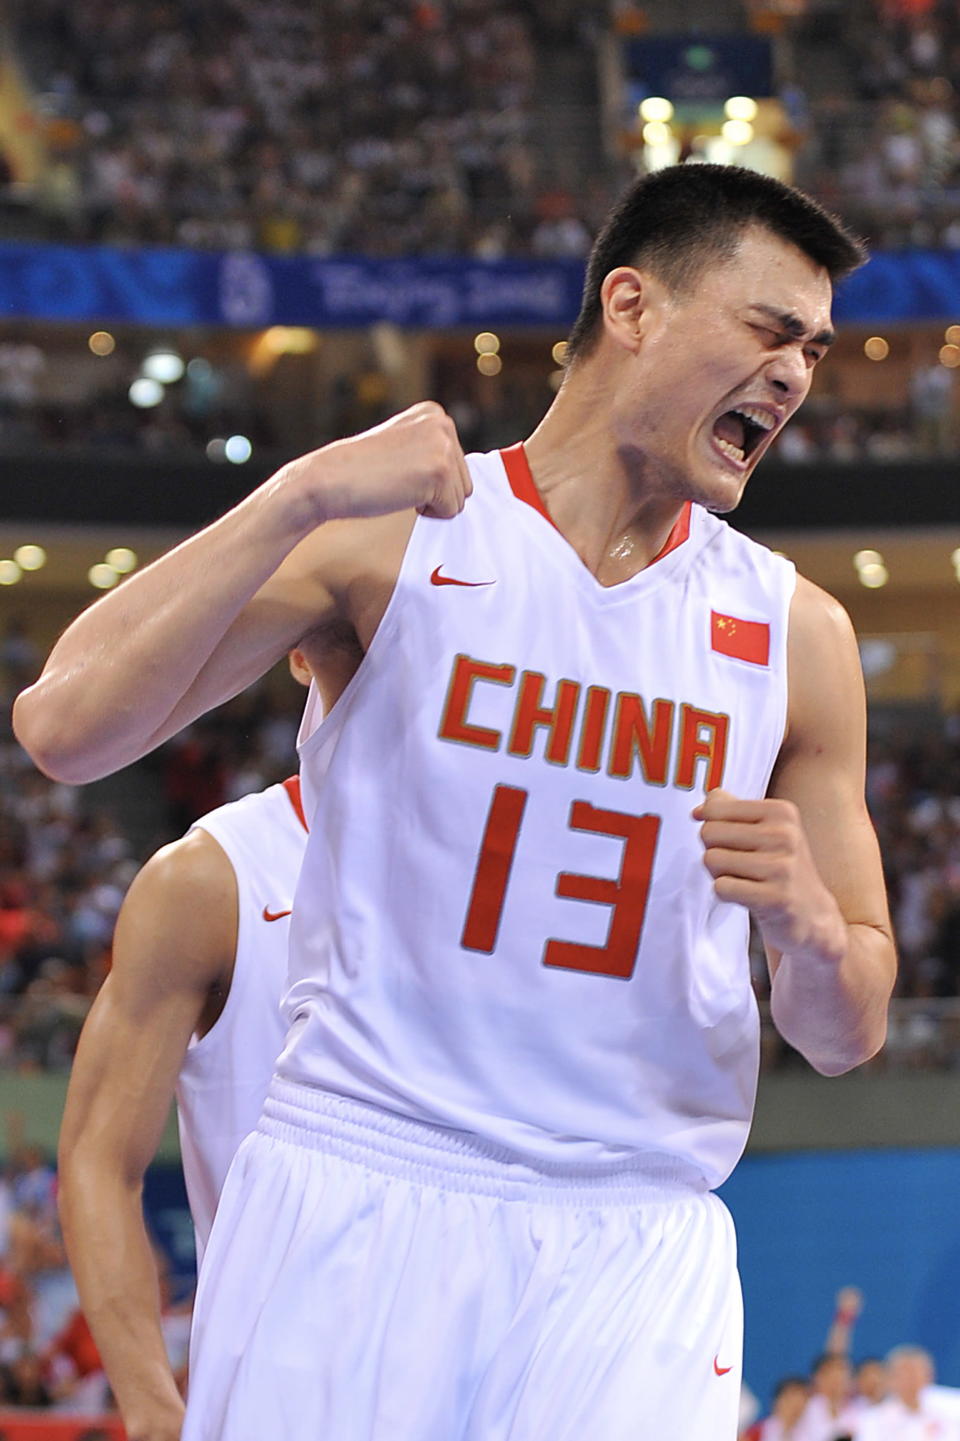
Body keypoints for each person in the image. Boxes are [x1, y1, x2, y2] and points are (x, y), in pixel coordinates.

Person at [14, 163, 896, 1441]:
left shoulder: (794, 634)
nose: (796, 377)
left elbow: (846, 1029)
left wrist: (812, 929)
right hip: (367, 1178)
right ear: (634, 306)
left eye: (812, 350)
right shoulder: (399, 531)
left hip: (636, 1222)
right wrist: (304, 491)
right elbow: (65, 725)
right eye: (768, 332)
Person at [55, 651, 348, 1441]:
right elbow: (95, 1157)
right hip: (289, 1396)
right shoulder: (214, 879)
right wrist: (152, 1406)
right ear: (302, 646)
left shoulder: (536, 866)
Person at [857, 1346, 960, 1440]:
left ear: (929, 1376)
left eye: (917, 1372)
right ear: (890, 1379)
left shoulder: (952, 1404)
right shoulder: (873, 1420)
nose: (912, 1379)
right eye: (905, 1373)